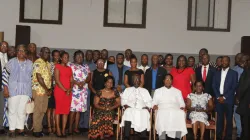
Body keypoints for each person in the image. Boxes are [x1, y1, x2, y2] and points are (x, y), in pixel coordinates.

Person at [2, 44, 33, 137]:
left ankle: (21, 129)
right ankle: (11, 130)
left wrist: (31, 94)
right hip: (13, 90)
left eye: (23, 51)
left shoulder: (30, 64)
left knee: (22, 111)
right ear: (16, 52)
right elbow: (4, 75)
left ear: (26, 53)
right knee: (12, 110)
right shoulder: (11, 62)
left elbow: (32, 78)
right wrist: (6, 88)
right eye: (19, 50)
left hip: (25, 91)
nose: (21, 52)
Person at [152, 74, 187, 139]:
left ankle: (177, 137)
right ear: (163, 81)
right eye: (166, 79)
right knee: (161, 113)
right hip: (162, 108)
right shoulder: (158, 91)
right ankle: (162, 137)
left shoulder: (177, 91)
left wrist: (182, 107)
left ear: (172, 81)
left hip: (175, 109)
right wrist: (154, 106)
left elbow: (182, 103)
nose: (168, 81)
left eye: (169, 79)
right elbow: (154, 102)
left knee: (181, 113)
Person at [212, 56, 238, 140]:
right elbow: (214, 86)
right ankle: (218, 136)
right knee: (219, 119)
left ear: (229, 62)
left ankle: (228, 137)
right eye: (222, 61)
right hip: (218, 99)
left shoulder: (234, 73)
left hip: (229, 99)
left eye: (225, 61)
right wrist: (218, 96)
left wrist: (225, 97)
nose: (223, 62)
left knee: (229, 119)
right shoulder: (216, 73)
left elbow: (234, 87)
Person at [121, 74, 152, 140]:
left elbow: (149, 102)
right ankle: (126, 135)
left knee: (145, 112)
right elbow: (123, 100)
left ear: (140, 80)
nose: (136, 80)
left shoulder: (145, 90)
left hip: (142, 108)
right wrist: (126, 105)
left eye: (138, 79)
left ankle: (143, 136)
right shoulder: (127, 90)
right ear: (132, 81)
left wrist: (147, 107)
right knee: (127, 112)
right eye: (135, 79)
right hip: (130, 108)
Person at [68, 50, 91, 135]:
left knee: (78, 111)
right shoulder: (70, 65)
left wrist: (84, 82)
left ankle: (76, 128)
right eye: (78, 56)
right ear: (74, 57)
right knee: (73, 110)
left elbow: (89, 77)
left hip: (83, 91)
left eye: (81, 56)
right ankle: (70, 127)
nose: (80, 58)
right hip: (74, 90)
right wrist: (77, 83)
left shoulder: (86, 66)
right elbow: (69, 77)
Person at [32, 47, 52, 137]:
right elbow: (39, 77)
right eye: (45, 52)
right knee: (37, 110)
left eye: (48, 52)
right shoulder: (37, 62)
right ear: (41, 53)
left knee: (42, 111)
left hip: (45, 91)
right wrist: (47, 89)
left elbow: (49, 78)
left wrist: (49, 89)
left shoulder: (47, 64)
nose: (47, 54)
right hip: (39, 90)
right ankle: (36, 130)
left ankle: (39, 129)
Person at [54, 51, 73, 137]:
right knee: (58, 111)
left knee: (66, 111)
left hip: (68, 92)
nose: (66, 59)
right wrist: (65, 90)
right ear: (61, 58)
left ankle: (63, 130)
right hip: (60, 91)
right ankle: (58, 130)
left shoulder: (69, 68)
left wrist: (70, 88)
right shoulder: (57, 67)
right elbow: (57, 81)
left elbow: (72, 80)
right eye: (64, 57)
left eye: (67, 57)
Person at [236, 55, 250, 140]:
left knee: (246, 124)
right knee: (244, 124)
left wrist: (238, 96)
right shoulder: (246, 71)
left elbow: (244, 86)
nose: (242, 63)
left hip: (246, 101)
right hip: (244, 102)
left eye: (244, 61)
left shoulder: (248, 72)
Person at [47, 50, 60, 134]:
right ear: (52, 56)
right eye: (55, 55)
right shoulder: (49, 64)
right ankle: (49, 126)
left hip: (59, 89)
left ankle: (55, 125)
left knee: (55, 108)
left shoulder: (61, 65)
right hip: (50, 88)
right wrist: (51, 87)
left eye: (58, 55)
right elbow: (49, 76)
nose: (56, 57)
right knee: (49, 109)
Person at [232, 53, 244, 140]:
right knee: (237, 116)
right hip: (235, 97)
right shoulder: (233, 70)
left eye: (240, 58)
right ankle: (240, 134)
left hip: (246, 97)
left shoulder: (247, 69)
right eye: (237, 58)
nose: (239, 60)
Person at [0, 41, 9, 133]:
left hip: (6, 86)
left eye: (5, 46)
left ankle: (3, 126)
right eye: (2, 45)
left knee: (4, 107)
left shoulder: (9, 58)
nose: (4, 47)